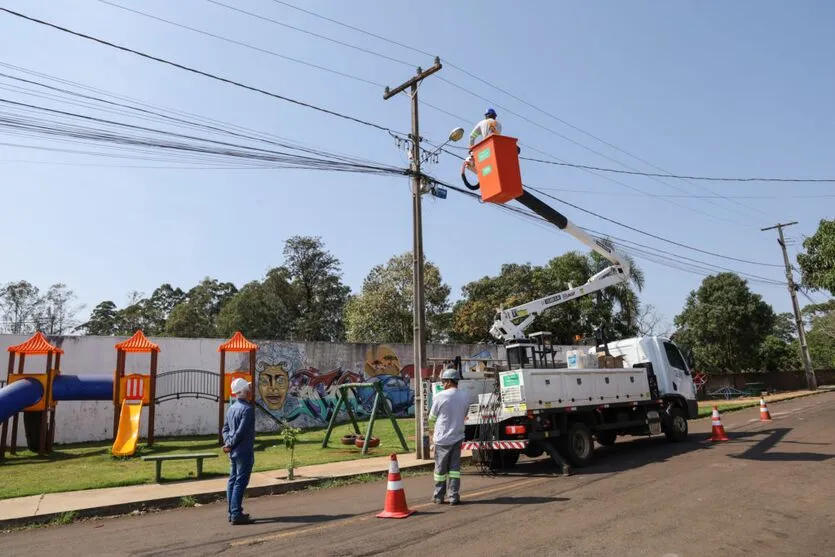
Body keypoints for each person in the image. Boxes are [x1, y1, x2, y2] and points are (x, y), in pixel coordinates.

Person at [428, 367, 471, 506]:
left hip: (442, 439)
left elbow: (432, 417)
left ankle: (438, 496)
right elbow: (465, 413)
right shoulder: (464, 395)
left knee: (440, 470)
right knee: (454, 469)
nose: (442, 384)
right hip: (458, 436)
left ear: (448, 381)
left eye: (443, 381)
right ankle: (453, 496)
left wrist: (431, 434)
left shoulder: (440, 396)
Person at [223, 377, 256, 525]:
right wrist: (230, 443)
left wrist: (228, 443)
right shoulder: (247, 410)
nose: (250, 392)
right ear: (244, 392)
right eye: (248, 390)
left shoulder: (232, 408)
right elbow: (241, 432)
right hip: (243, 450)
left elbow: (225, 429)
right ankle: (236, 513)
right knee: (240, 482)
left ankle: (232, 511)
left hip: (233, 451)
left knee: (232, 480)